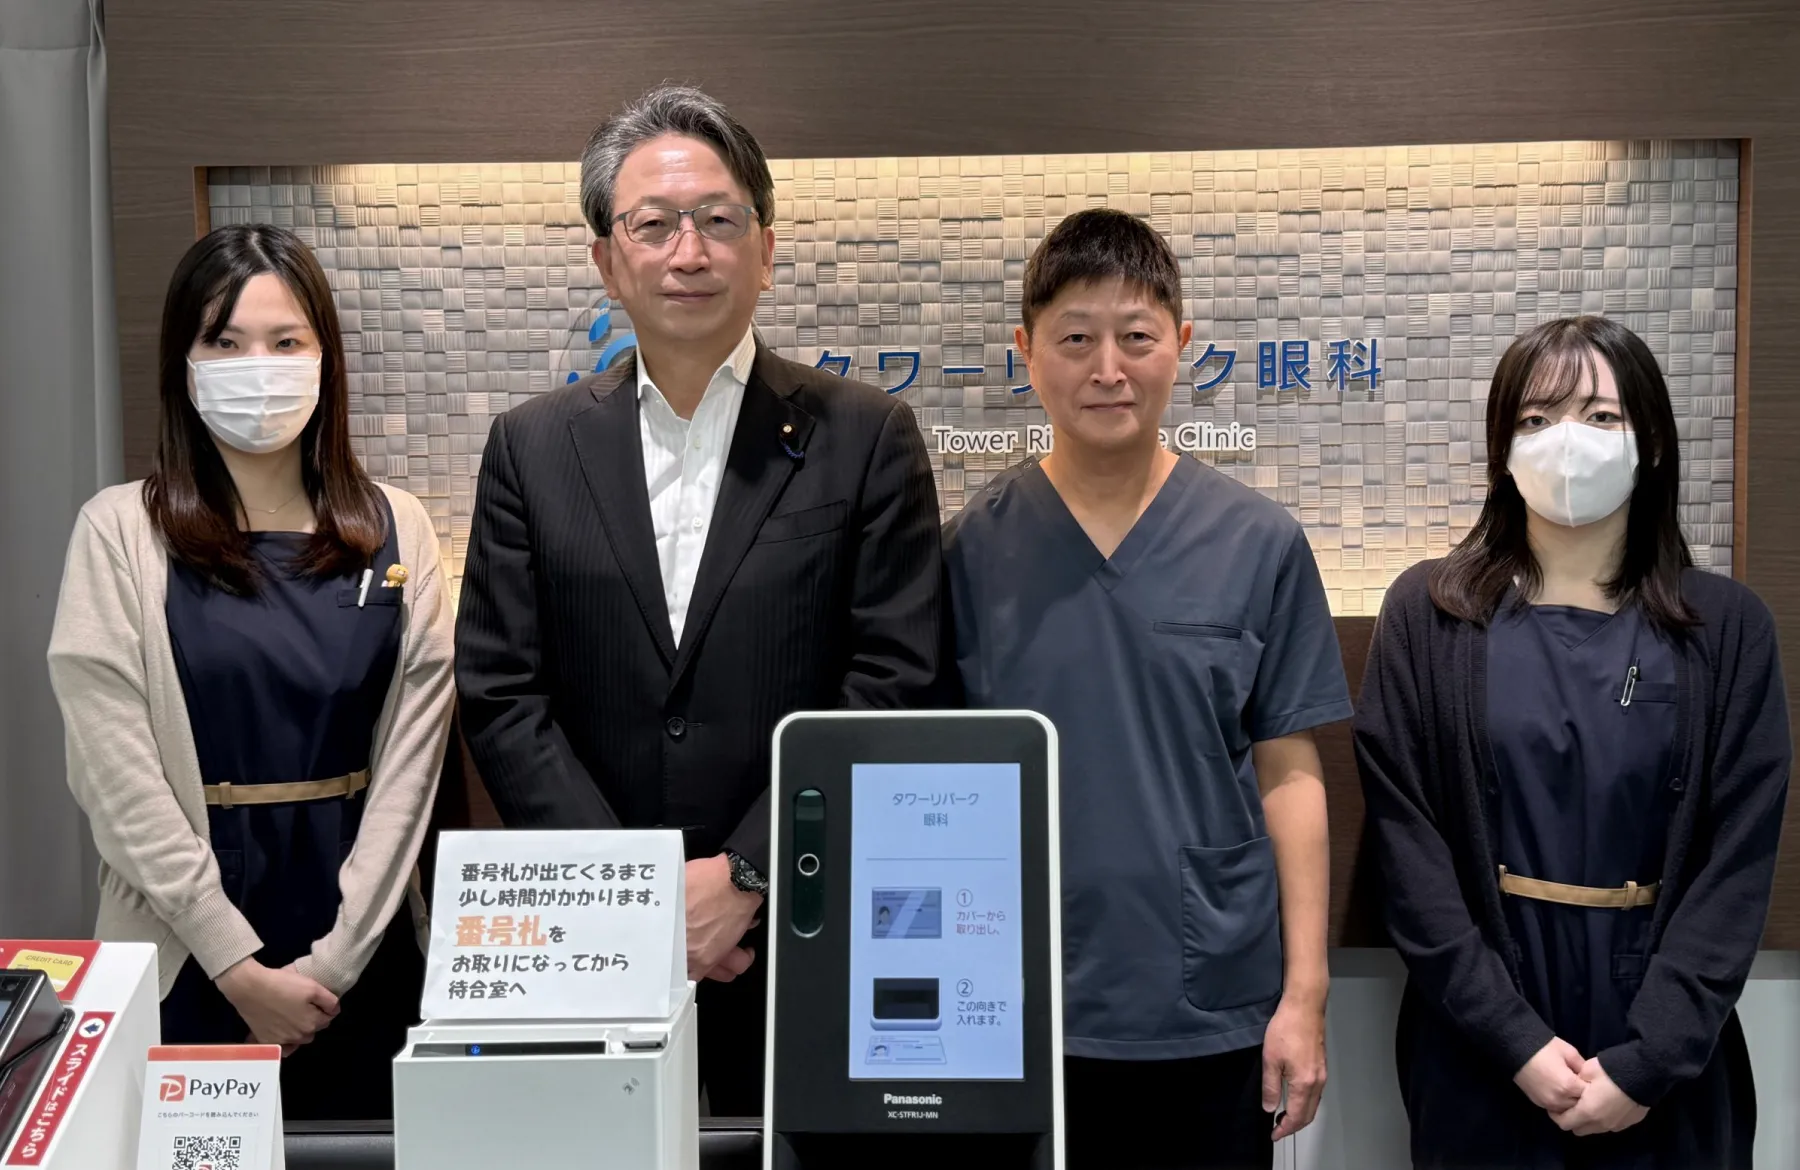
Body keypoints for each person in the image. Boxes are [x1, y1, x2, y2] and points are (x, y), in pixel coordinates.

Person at [454, 83, 942, 1115]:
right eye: (655, 225)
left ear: (765, 251)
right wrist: (633, 900)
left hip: (806, 926)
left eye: (719, 220)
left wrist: (750, 875)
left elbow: (894, 682)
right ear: (606, 258)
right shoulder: (530, 449)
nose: (689, 252)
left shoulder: (866, 436)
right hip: (589, 940)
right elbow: (501, 693)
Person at [942, 208, 1352, 1169]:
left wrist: (1305, 996)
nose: (1108, 369)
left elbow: (1290, 775)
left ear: (1183, 344)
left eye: (1136, 337)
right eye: (1075, 340)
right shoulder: (969, 552)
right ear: (1025, 352)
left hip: (1208, 1007)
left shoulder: (1259, 543)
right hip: (1013, 1006)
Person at [1353, 315, 1790, 1169]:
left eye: (1600, 416)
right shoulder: (1427, 617)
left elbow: (1737, 865)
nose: (1566, 441)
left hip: (1662, 1051)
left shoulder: (1727, 628)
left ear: (1650, 441)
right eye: (1536, 418)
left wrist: (1651, 1058)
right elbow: (1410, 855)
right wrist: (1512, 1039)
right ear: (1502, 446)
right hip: (1481, 1043)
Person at [47, 224, 455, 1119]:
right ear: (183, 364)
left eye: (285, 342)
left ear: (326, 359)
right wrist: (235, 962)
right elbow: (117, 781)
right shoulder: (119, 532)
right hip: (181, 940)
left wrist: (335, 963)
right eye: (224, 343)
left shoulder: (398, 528)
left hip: (362, 945)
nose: (256, 367)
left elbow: (411, 772)